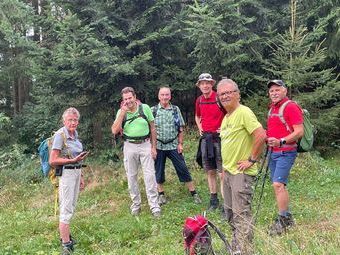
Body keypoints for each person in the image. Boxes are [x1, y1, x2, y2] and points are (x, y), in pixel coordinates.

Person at [217, 79, 266, 255]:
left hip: (241, 174)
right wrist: (223, 170)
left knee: (241, 214)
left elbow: (261, 135)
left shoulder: (244, 112)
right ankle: (236, 246)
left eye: (229, 92)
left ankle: (244, 250)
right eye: (222, 94)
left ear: (237, 94)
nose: (225, 96)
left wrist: (251, 160)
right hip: (228, 173)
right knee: (230, 213)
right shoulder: (226, 118)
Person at [111, 87, 161, 217]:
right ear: (123, 100)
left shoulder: (145, 108)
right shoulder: (121, 112)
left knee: (150, 176)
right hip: (129, 146)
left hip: (145, 144)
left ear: (135, 97)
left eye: (130, 98)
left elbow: (153, 128)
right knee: (131, 177)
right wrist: (122, 113)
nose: (128, 101)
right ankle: (136, 205)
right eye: (125, 99)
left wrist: (153, 147)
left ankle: (154, 206)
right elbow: (114, 130)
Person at [152, 87, 202, 205]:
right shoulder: (153, 110)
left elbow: (180, 128)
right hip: (158, 145)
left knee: (183, 168)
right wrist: (152, 147)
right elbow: (150, 130)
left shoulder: (175, 110)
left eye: (167, 95)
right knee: (158, 170)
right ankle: (161, 194)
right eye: (162, 95)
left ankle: (194, 193)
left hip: (173, 145)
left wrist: (180, 144)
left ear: (170, 96)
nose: (165, 97)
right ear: (159, 96)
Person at [266, 79, 304, 236]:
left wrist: (281, 141)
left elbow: (299, 131)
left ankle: (283, 220)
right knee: (279, 185)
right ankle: (286, 216)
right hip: (272, 151)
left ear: (284, 91)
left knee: (278, 185)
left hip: (286, 151)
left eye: (277, 90)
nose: (274, 93)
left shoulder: (291, 106)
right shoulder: (273, 108)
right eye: (271, 91)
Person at [49, 107, 89, 255]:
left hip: (76, 172)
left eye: (75, 120)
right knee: (66, 209)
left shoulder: (75, 134)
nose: (73, 122)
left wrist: (81, 177)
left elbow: (77, 158)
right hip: (66, 174)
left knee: (71, 206)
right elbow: (53, 160)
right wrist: (72, 160)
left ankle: (67, 237)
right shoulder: (60, 135)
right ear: (64, 120)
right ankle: (66, 245)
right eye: (70, 120)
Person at [195, 73, 225, 211]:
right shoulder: (199, 100)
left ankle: (227, 204)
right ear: (199, 85)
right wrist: (200, 127)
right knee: (210, 171)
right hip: (206, 139)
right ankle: (214, 200)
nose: (205, 85)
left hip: (219, 139)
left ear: (212, 84)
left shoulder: (219, 98)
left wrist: (224, 128)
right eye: (202, 83)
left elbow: (230, 113)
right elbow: (197, 116)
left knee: (222, 172)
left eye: (208, 83)